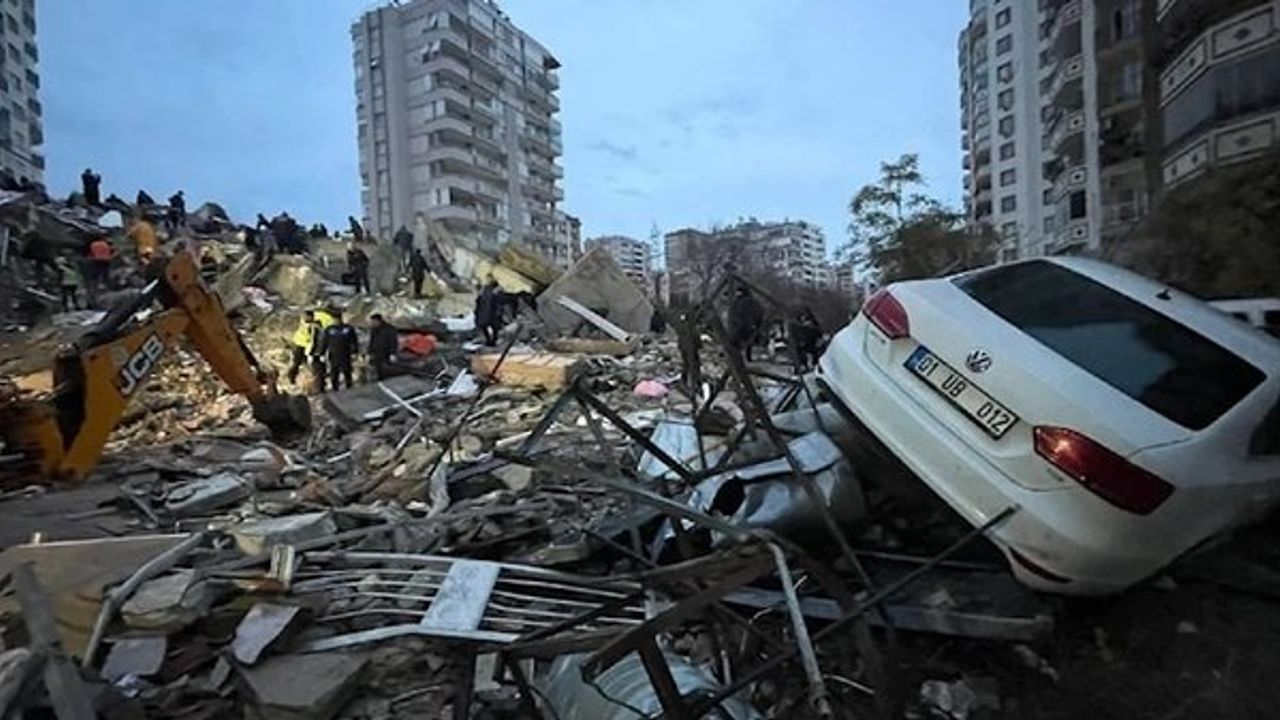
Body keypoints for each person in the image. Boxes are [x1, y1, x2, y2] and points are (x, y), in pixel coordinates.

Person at [318, 310, 359, 391]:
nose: (336, 321)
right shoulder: (329, 329)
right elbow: (324, 342)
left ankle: (349, 387)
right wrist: (321, 353)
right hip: (333, 354)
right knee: (334, 373)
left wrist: (355, 352)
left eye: (337, 319)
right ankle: (335, 388)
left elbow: (354, 341)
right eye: (334, 319)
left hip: (345, 353)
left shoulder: (348, 328)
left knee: (347, 372)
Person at [726, 284, 764, 361]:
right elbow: (760, 312)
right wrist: (757, 324)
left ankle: (736, 358)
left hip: (740, 325)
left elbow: (733, 314)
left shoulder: (737, 302)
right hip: (749, 325)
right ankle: (747, 357)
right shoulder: (753, 302)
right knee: (748, 342)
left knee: (736, 342)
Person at [310, 307, 337, 393]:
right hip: (315, 354)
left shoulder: (323, 332)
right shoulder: (314, 332)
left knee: (320, 372)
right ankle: (319, 387)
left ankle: (321, 388)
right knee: (316, 372)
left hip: (321, 354)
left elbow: (323, 343)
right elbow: (313, 342)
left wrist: (322, 353)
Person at [287, 311, 317, 387]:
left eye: (308, 316)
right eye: (306, 316)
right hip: (298, 346)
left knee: (305, 364)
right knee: (296, 363)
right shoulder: (305, 323)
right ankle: (292, 378)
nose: (306, 318)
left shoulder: (312, 325)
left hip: (305, 346)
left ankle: (309, 380)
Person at [367, 313, 400, 380]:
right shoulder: (374, 330)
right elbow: (372, 341)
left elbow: (393, 342)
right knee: (379, 372)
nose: (372, 323)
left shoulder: (389, 329)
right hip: (377, 354)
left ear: (378, 321)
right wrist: (370, 352)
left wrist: (392, 353)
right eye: (372, 322)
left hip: (386, 354)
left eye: (373, 322)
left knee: (387, 372)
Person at [474, 278, 500, 346]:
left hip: (485, 312)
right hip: (490, 312)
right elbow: (497, 304)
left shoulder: (485, 290)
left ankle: (490, 340)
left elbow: (478, 300)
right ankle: (492, 341)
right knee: (493, 328)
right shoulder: (493, 292)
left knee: (485, 327)